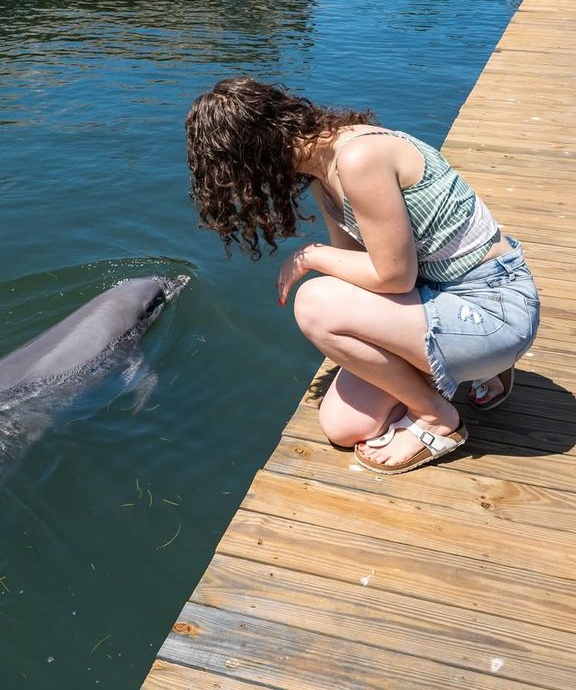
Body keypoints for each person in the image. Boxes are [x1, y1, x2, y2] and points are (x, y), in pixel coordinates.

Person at [185, 77, 540, 475]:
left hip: (493, 309)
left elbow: (393, 278)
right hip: (439, 299)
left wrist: (311, 255)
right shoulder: (321, 172)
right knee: (344, 426)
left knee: (314, 302)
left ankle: (439, 417)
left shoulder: (358, 158)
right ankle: (472, 365)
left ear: (254, 151)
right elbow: (359, 271)